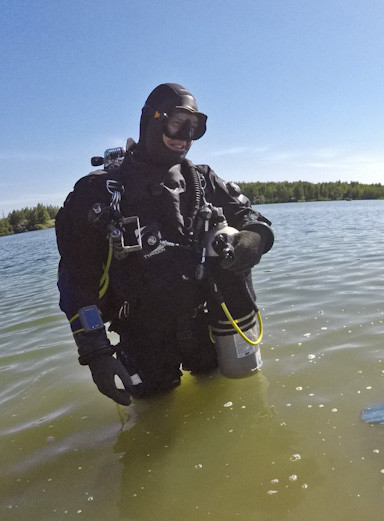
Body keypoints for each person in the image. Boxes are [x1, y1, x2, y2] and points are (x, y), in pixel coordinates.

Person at [56, 83, 274, 406]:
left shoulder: (202, 180)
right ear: (151, 120)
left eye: (194, 128)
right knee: (154, 421)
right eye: (177, 123)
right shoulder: (100, 193)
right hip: (143, 339)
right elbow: (77, 280)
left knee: (223, 405)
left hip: (205, 330)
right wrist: (96, 352)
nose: (185, 137)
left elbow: (254, 220)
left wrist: (252, 240)